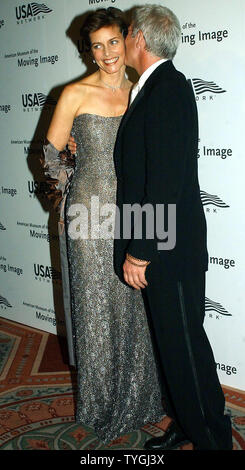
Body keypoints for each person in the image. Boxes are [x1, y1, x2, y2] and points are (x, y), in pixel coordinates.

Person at [69, 3, 233, 451]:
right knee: (171, 351)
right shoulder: (154, 86)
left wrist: (141, 251)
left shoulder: (166, 89)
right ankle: (184, 423)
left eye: (124, 36)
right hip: (165, 245)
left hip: (168, 251)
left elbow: (164, 181)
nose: (120, 44)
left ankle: (213, 439)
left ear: (138, 39)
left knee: (185, 352)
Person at [42, 7, 164, 444]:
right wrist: (70, 180)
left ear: (127, 42)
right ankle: (102, 404)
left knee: (133, 305)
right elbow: (50, 157)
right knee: (95, 310)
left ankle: (143, 397)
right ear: (89, 52)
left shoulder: (141, 91)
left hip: (133, 211)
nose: (107, 52)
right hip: (89, 216)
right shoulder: (75, 93)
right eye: (97, 45)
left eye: (114, 41)